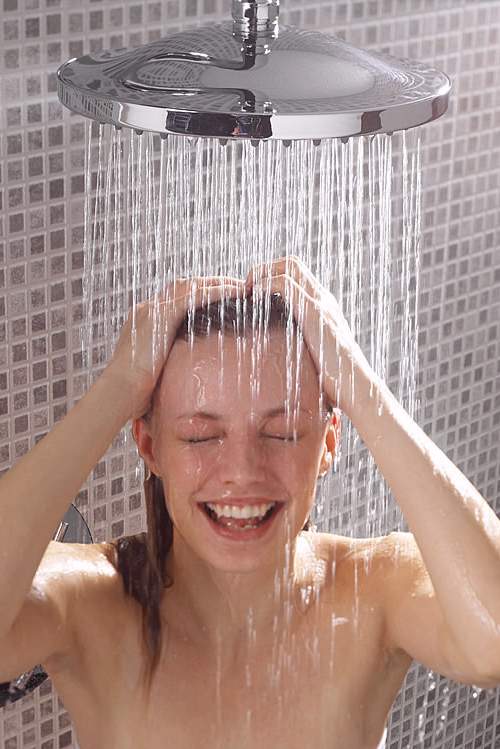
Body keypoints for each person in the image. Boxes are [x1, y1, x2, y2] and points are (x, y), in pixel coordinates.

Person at [0, 255, 499, 749]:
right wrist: (118, 388)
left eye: (281, 433)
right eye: (200, 436)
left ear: (328, 444)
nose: (241, 472)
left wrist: (358, 383)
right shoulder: (93, 601)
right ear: (150, 447)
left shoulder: (371, 590)